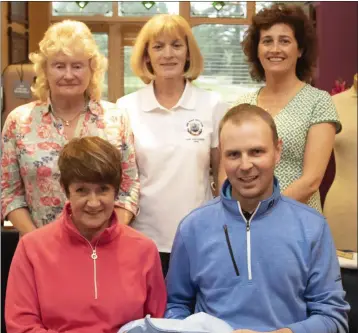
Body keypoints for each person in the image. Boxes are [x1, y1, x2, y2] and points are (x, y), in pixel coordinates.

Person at [165, 104, 350, 333]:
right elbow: (176, 306)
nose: (245, 165)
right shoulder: (192, 227)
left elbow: (333, 317)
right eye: (233, 154)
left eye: (256, 152)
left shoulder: (312, 227)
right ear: (221, 157)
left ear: (277, 151)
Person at [5, 136, 166, 333]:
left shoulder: (144, 250)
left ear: (116, 191)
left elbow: (157, 324)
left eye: (103, 190)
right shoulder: (31, 248)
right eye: (82, 190)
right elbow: (21, 326)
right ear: (66, 190)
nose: (93, 202)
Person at [1, 20, 139, 235]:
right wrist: (36, 241)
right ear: (45, 70)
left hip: (102, 248)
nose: (68, 75)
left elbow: (129, 188)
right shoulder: (18, 122)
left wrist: (110, 237)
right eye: (59, 66)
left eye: (77, 66)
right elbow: (9, 193)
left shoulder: (116, 119)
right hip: (40, 252)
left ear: (92, 69)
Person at [116, 14, 228, 275]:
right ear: (146, 57)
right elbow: (121, 179)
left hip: (200, 237)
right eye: (158, 46)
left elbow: (222, 174)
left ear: (188, 53)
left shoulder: (212, 104)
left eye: (176, 45)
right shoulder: (125, 107)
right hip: (142, 238)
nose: (168, 54)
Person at [230, 4, 341, 212]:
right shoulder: (241, 105)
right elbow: (227, 170)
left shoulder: (319, 102)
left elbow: (311, 181)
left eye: (285, 41)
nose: (275, 49)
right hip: (245, 219)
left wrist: (263, 211)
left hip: (298, 220)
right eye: (267, 41)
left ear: (300, 50)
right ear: (257, 49)